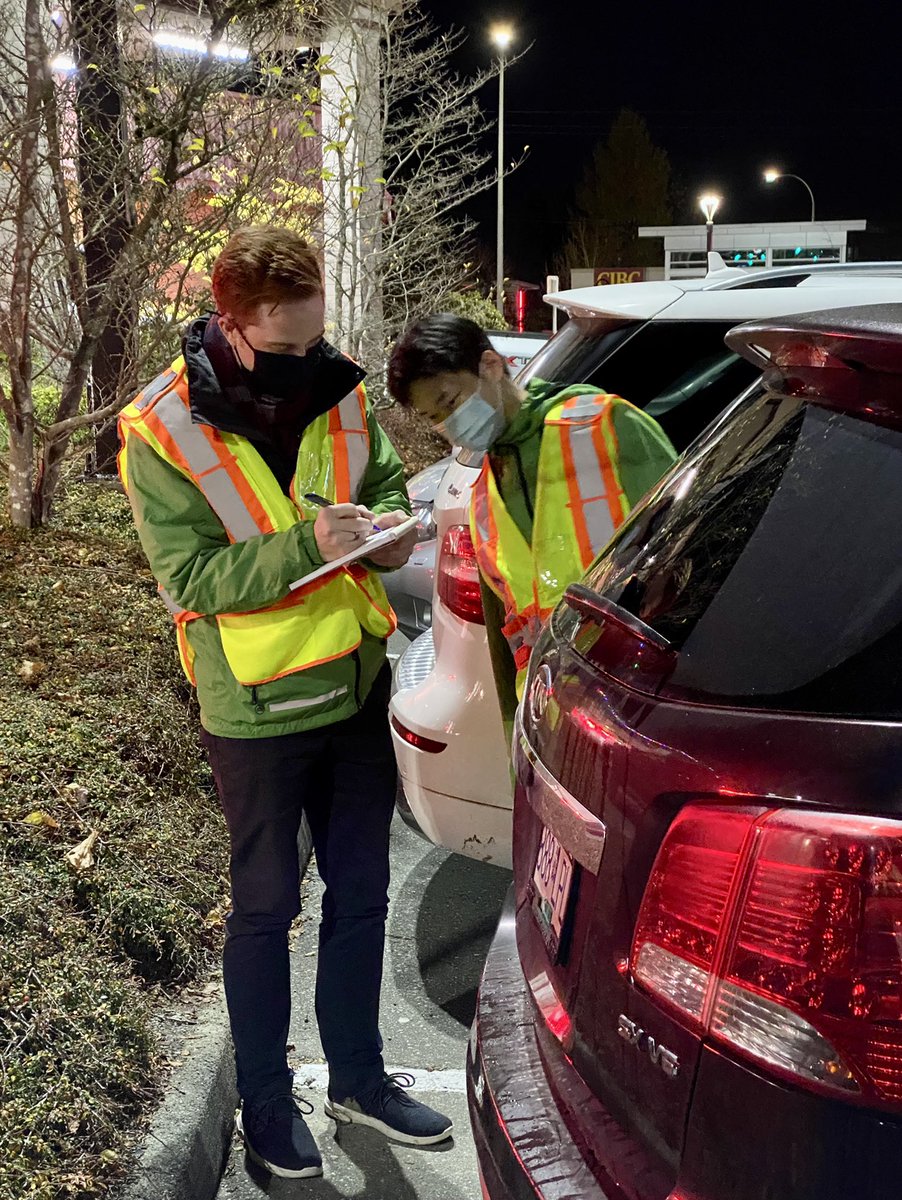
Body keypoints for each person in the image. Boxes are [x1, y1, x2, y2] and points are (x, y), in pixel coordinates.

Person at [118, 227, 452, 1180]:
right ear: (230, 322)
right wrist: (313, 545)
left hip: (352, 679)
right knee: (264, 910)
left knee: (361, 894)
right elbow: (190, 577)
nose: (309, 364)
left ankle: (357, 1077)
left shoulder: (337, 387)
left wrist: (388, 536)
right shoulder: (163, 427)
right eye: (285, 349)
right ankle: (264, 1102)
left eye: (316, 341)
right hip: (255, 707)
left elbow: (384, 483)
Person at [387, 313, 678, 726]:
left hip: (637, 702)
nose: (449, 426)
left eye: (450, 402)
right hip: (555, 713)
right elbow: (514, 627)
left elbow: (686, 551)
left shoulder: (603, 427)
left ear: (490, 366)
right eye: (434, 417)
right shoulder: (485, 493)